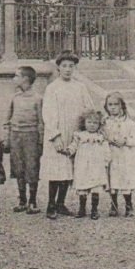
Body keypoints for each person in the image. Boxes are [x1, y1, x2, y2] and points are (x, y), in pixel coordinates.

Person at [41, 50, 96, 219]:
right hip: (58, 133)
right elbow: (48, 114)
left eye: (71, 66)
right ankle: (51, 205)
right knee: (56, 169)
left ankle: (61, 203)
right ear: (58, 67)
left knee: (69, 169)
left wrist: (85, 131)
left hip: (74, 133)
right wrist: (55, 136)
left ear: (75, 68)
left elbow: (89, 109)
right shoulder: (52, 88)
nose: (67, 69)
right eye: (64, 66)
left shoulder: (80, 87)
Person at [5, 65, 43, 214]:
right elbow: (7, 119)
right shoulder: (14, 97)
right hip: (16, 136)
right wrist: (7, 138)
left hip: (31, 136)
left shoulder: (38, 98)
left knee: (32, 168)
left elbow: (41, 121)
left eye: (16, 76)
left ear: (25, 79)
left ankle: (32, 202)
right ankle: (22, 200)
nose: (14, 79)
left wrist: (40, 141)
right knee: (18, 167)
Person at [66, 109, 111, 219]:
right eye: (89, 122)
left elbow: (106, 150)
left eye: (95, 123)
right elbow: (74, 145)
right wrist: (69, 150)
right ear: (84, 123)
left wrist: (106, 161)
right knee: (82, 187)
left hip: (96, 166)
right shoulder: (80, 135)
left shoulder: (100, 137)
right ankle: (82, 209)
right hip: (82, 166)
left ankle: (94, 210)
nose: (92, 125)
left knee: (95, 187)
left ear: (99, 124)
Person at [103, 92, 135, 217]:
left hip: (125, 155)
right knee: (112, 178)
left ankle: (128, 205)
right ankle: (113, 205)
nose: (113, 107)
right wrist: (108, 140)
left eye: (116, 104)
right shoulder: (105, 123)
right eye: (110, 105)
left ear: (121, 105)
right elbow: (101, 136)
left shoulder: (130, 123)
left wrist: (125, 141)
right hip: (111, 154)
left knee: (126, 179)